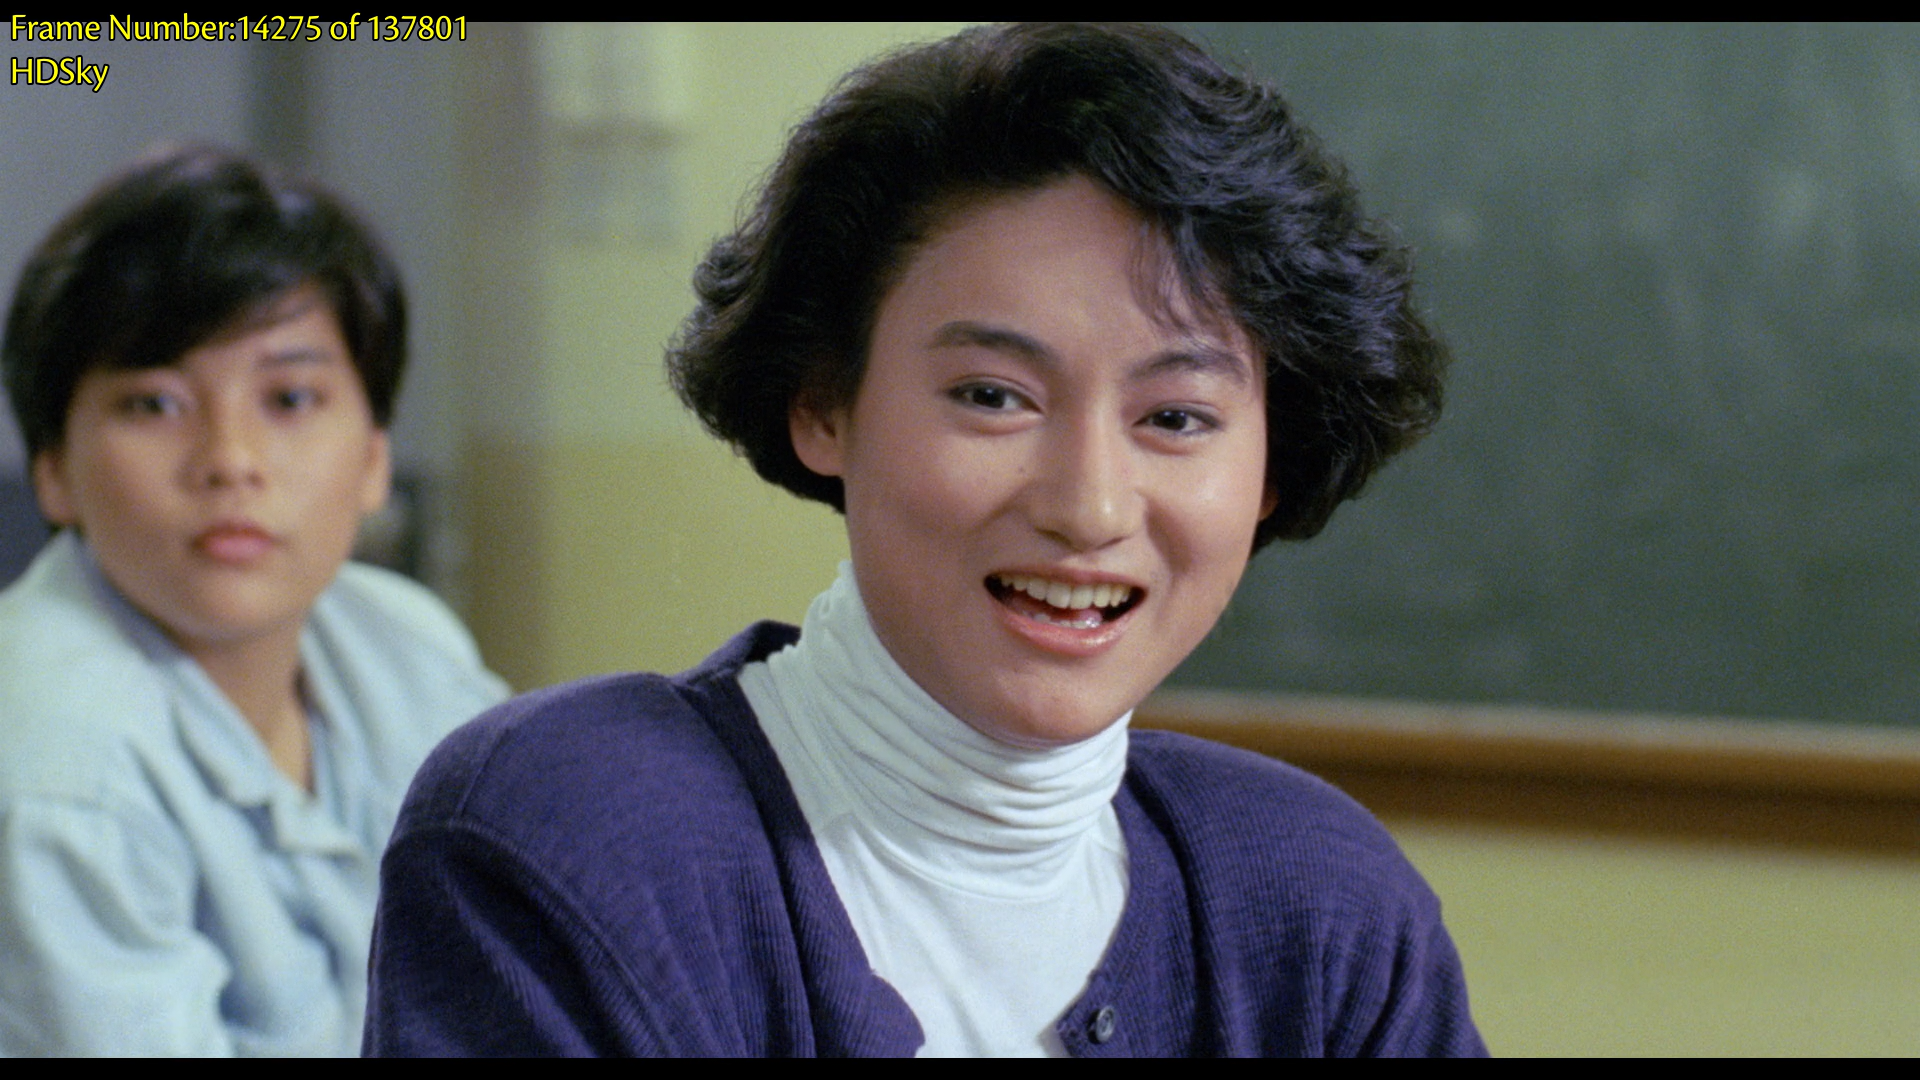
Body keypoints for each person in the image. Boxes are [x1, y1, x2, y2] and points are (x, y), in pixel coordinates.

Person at [365, 24, 1483, 1057]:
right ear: (822, 400)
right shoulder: (573, 839)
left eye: (1176, 418)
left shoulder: (1323, 911)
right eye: (994, 396)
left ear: (1271, 465)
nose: (1090, 507)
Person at [0, 146, 508, 1056]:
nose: (230, 460)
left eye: (290, 397)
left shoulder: (408, 645)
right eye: (154, 404)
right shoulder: (60, 775)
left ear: (374, 456)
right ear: (53, 471)